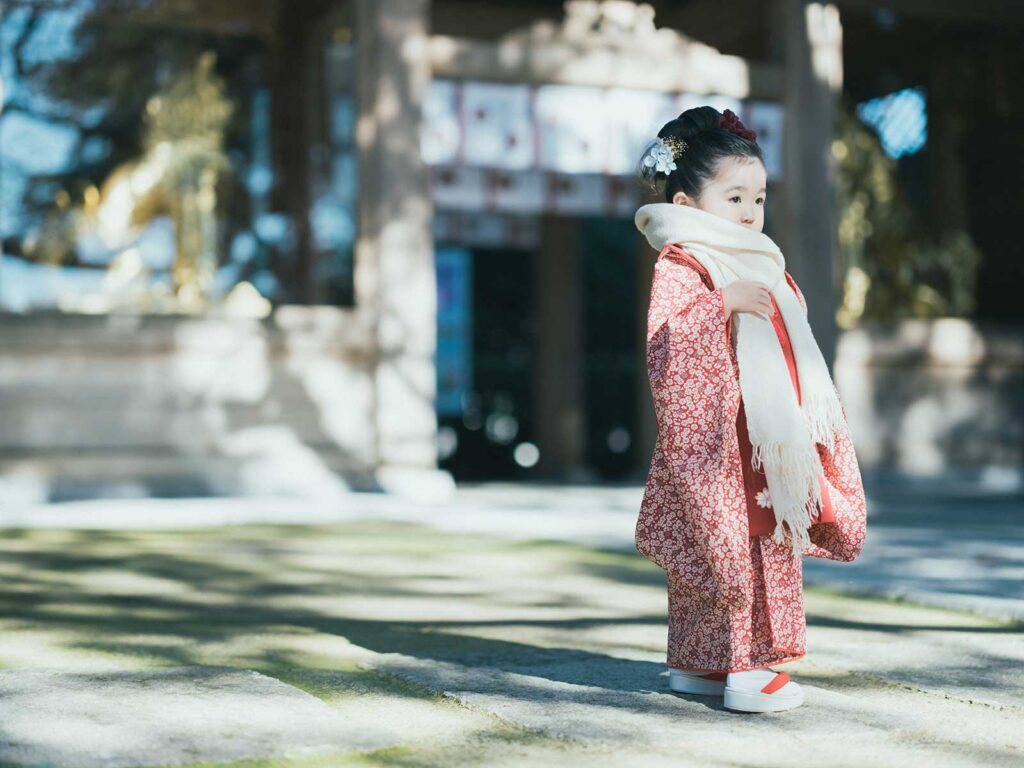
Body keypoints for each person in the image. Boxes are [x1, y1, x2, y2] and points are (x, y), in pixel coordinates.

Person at [633, 106, 867, 714]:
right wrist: (720, 306)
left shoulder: (762, 258)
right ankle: (746, 668)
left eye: (757, 198)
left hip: (765, 434)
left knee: (760, 537)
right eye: (733, 196)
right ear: (686, 205)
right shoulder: (684, 262)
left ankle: (700, 666)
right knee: (728, 544)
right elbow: (666, 344)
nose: (748, 212)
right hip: (723, 439)